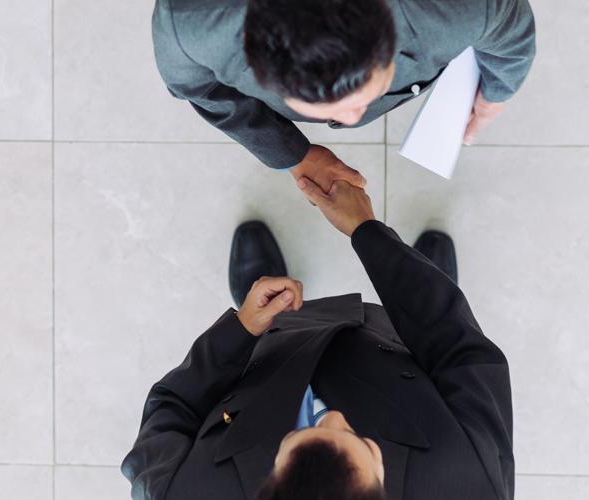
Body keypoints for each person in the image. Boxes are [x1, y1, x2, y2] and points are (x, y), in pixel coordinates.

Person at [120, 177, 513, 500]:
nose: (337, 417)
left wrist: (241, 330)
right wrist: (370, 235)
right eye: (357, 440)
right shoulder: (471, 483)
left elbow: (171, 409)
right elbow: (460, 350)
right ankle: (413, 277)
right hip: (392, 351)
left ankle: (277, 307)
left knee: (280, 310)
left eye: (300, 436)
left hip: (268, 351)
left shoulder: (178, 494)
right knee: (434, 317)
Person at [152, 0, 535, 198]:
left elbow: (510, 33)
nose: (351, 121)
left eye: (363, 97)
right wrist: (290, 153)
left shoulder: (464, 8)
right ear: (247, 49)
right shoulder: (191, 27)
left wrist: (496, 93)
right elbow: (198, 89)